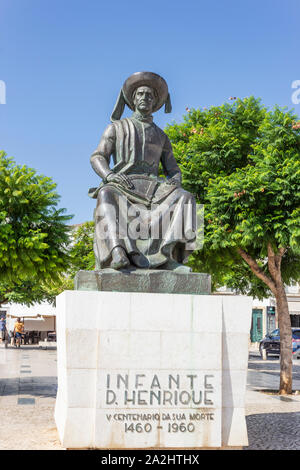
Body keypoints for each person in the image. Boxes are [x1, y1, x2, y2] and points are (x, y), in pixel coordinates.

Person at [89, 72, 196, 272]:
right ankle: (118, 252)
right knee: (105, 193)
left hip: (154, 191)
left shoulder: (161, 136)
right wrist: (109, 175)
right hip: (123, 186)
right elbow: (97, 157)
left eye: (149, 95)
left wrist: (174, 181)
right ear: (133, 100)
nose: (145, 98)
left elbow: (173, 169)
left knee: (186, 197)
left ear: (155, 101)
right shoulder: (116, 128)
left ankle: (169, 257)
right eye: (140, 94)